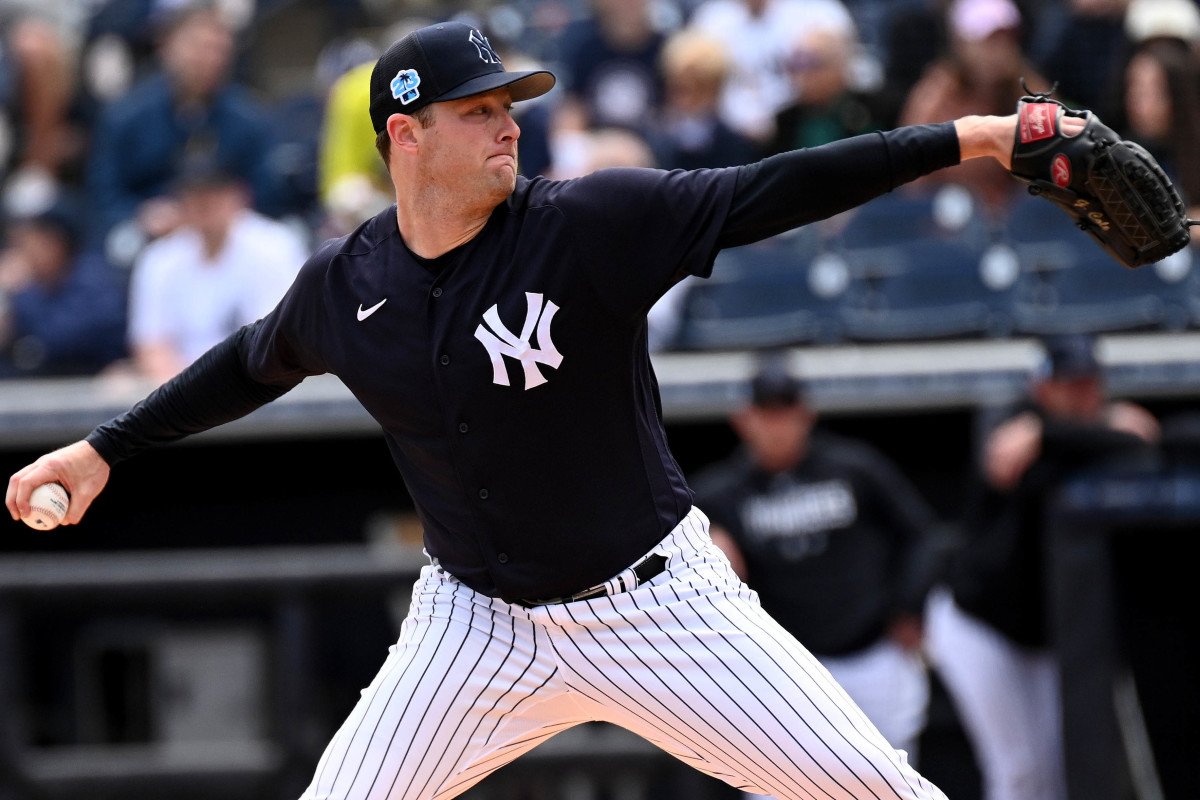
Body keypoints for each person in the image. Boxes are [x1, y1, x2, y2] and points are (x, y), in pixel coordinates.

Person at [7, 19, 1058, 800]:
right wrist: (106, 447)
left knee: (877, 791)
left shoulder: (587, 222)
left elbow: (773, 187)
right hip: (474, 624)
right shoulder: (347, 280)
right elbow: (247, 363)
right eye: (479, 111)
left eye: (510, 105)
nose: (510, 125)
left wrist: (974, 135)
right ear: (405, 134)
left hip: (657, 607)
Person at [923, 332, 1160, 800]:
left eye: (1088, 383)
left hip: (1044, 634)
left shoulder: (1070, 438)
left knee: (1059, 769)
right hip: (979, 626)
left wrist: (1053, 433)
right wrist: (1054, 431)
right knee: (1020, 770)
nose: (1081, 394)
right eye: (1068, 384)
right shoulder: (1008, 422)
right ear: (1041, 387)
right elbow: (1003, 456)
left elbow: (1143, 444)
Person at [690, 357, 942, 771]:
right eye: (766, 413)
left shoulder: (853, 467)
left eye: (786, 411)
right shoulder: (718, 495)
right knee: (777, 783)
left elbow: (922, 537)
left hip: (870, 652)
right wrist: (705, 545)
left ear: (806, 413)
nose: (777, 424)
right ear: (743, 420)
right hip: (781, 669)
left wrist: (908, 605)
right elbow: (672, 560)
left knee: (889, 780)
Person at [85, 0, 280, 262]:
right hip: (150, 237)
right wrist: (141, 215)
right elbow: (104, 194)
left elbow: (267, 192)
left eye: (218, 49)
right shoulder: (126, 116)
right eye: (198, 47)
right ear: (166, 46)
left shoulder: (249, 117)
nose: (208, 59)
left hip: (227, 238)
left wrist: (220, 210)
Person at [122, 160, 306, 383]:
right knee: (117, 383)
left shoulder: (275, 246)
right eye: (194, 195)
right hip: (180, 387)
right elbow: (151, 344)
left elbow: (276, 344)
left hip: (260, 385)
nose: (204, 204)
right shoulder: (159, 259)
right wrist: (185, 391)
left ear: (239, 196)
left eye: (214, 193)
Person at [898, 0, 1050, 217]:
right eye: (988, 40)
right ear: (961, 43)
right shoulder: (935, 96)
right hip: (950, 223)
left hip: (1018, 224)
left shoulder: (1031, 92)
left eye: (1007, 38)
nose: (999, 49)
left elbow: (1054, 167)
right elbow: (912, 178)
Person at [0, 198, 127, 377]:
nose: (20, 252)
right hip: (39, 384)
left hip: (95, 378)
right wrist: (3, 294)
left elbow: (65, 339)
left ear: (55, 242)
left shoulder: (94, 277)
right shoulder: (25, 288)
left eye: (26, 242)